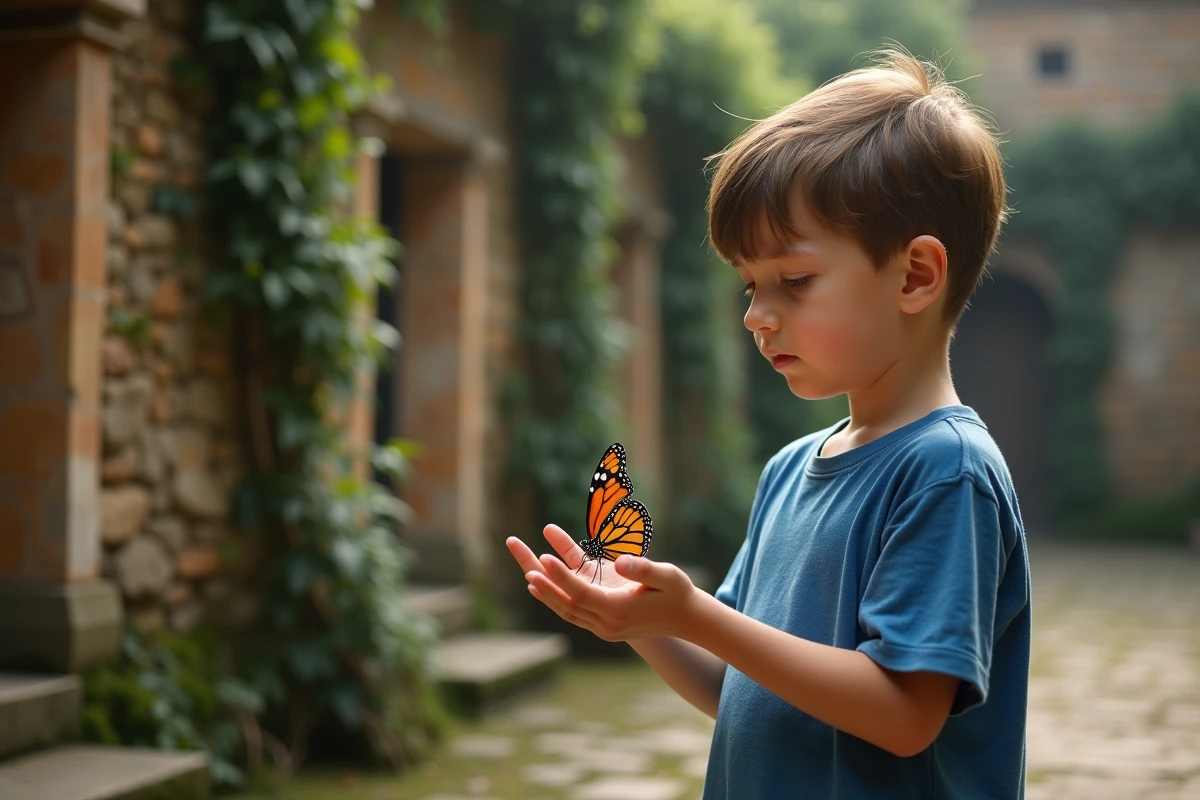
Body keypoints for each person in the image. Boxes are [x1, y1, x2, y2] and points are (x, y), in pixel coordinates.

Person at [506, 49, 1031, 799]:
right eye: (750, 284)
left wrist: (699, 615)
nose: (757, 315)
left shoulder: (946, 471)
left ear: (916, 274)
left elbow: (903, 715)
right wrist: (644, 622)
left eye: (794, 280)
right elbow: (738, 686)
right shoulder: (790, 469)